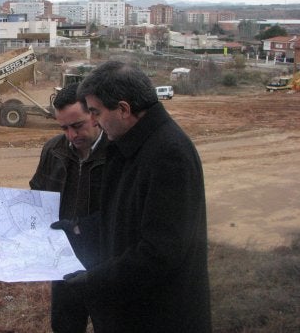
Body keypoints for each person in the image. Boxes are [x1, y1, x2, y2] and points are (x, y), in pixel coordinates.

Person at [63, 61, 211, 332]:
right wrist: (80, 227)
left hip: (158, 316)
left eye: (96, 112)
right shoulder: (130, 144)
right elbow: (124, 216)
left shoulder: (169, 154)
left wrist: (93, 281)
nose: (93, 121)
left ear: (123, 109)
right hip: (131, 310)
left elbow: (160, 252)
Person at [29, 82, 109, 333]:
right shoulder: (53, 150)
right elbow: (37, 195)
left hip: (106, 266)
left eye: (77, 126)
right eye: (64, 128)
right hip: (63, 264)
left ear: (95, 116)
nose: (71, 135)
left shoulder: (117, 152)